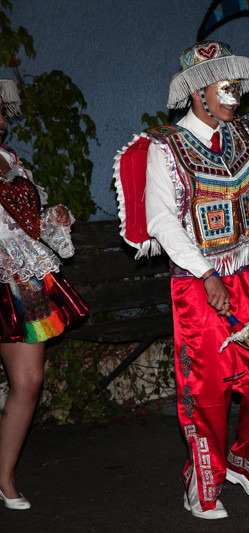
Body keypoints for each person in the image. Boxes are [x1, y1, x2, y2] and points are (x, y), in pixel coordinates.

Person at [113, 41, 249, 520]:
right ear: (198, 92)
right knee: (209, 389)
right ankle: (202, 483)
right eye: (225, 89)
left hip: (246, 279)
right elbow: (161, 220)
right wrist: (206, 272)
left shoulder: (243, 137)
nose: (234, 98)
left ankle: (248, 465)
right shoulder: (164, 147)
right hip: (197, 285)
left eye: (236, 89)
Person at [0, 78, 88, 510]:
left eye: (1, 112)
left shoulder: (13, 163)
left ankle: (3, 476)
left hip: (23, 280)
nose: (0, 121)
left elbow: (29, 228)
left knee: (29, 380)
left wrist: (54, 219)